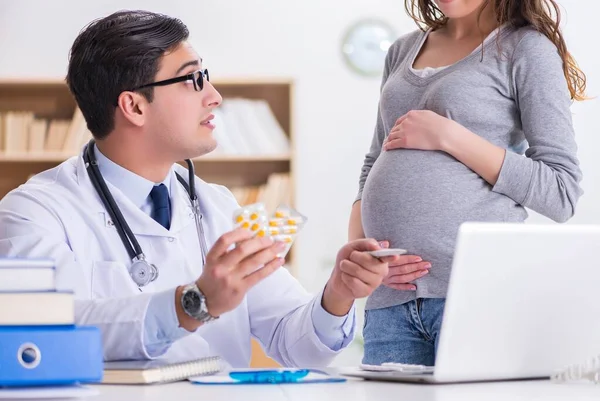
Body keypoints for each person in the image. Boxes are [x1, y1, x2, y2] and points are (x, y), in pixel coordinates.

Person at [0, 10, 396, 366]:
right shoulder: (35, 212)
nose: (215, 97)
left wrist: (338, 295)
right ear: (134, 106)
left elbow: (295, 342)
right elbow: (44, 337)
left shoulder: (217, 206)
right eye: (194, 79)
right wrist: (192, 304)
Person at [350, 0, 586, 366]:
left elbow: (561, 191)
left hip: (477, 296)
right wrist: (363, 256)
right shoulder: (401, 50)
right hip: (390, 304)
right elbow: (373, 164)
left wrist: (450, 136)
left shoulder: (526, 48)